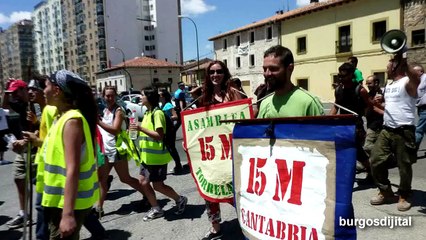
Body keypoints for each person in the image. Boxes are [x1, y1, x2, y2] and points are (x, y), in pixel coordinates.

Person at [38, 70, 99, 239]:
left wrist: (67, 214)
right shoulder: (62, 117)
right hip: (57, 201)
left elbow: (73, 169)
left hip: (66, 204)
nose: (44, 90)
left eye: (47, 86)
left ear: (57, 90)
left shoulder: (72, 121)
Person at [195, 60, 243, 240]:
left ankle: (248, 223)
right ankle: (216, 228)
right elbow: (196, 128)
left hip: (232, 149)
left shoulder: (234, 93)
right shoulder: (203, 98)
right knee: (211, 190)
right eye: (212, 72)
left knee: (236, 190)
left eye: (219, 71)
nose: (215, 75)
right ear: (208, 75)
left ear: (225, 73)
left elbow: (243, 117)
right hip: (212, 152)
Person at [369, 54, 420, 211]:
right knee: (375, 160)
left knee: (404, 165)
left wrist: (404, 62)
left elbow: (416, 79)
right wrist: (379, 104)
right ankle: (386, 191)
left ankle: (404, 194)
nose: (386, 69)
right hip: (387, 129)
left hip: (404, 130)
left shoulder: (407, 81)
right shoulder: (390, 85)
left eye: (388, 66)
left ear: (396, 67)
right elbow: (392, 106)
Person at [129, 87, 188, 222]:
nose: (140, 97)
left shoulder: (157, 114)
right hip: (147, 157)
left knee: (158, 186)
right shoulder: (148, 113)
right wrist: (135, 131)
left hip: (157, 158)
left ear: (149, 97)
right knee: (143, 182)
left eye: (142, 95)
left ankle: (180, 199)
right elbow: (146, 133)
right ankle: (156, 208)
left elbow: (159, 136)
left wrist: (140, 127)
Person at [97, 86, 147, 213]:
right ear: (103, 96)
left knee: (125, 178)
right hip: (106, 150)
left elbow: (115, 130)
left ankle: (147, 194)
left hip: (116, 150)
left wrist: (98, 122)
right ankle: (99, 209)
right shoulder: (106, 111)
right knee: (102, 179)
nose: (109, 98)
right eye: (107, 96)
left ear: (116, 96)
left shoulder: (118, 111)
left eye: (112, 96)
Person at [2, 79, 35, 229]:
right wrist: (6, 90)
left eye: (16, 92)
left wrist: (26, 141)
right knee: (19, 178)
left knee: (41, 183)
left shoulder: (35, 103)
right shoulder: (19, 103)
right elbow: (4, 106)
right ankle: (24, 214)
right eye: (12, 94)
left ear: (24, 90)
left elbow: (43, 128)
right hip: (23, 149)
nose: (13, 96)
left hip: (37, 149)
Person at [330, 62, 371, 180]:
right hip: (343, 127)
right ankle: (365, 172)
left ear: (351, 75)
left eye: (344, 76)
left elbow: (369, 107)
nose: (341, 78)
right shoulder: (338, 90)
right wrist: (328, 120)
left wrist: (369, 125)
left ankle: (370, 172)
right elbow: (336, 106)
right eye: (340, 76)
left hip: (356, 127)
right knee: (350, 152)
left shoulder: (360, 90)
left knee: (357, 153)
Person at [258, 45, 324, 118]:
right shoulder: (265, 103)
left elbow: (321, 129)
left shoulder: (309, 102)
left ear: (290, 69)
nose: (267, 74)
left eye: (273, 69)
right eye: (265, 69)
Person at [159, 89, 183, 174]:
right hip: (166, 129)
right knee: (168, 148)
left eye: (160, 95)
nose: (159, 97)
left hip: (170, 129)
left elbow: (175, 116)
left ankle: (178, 165)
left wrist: (167, 119)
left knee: (172, 148)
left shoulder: (168, 105)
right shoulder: (162, 106)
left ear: (164, 97)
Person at [414, 64, 426, 149]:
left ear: (421, 71)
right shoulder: (416, 80)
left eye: (415, 71)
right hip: (419, 108)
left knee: (419, 130)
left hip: (425, 108)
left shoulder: (425, 78)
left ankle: (412, 151)